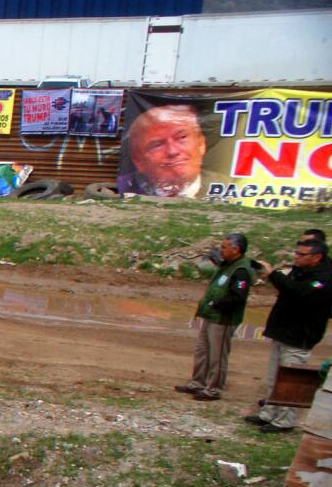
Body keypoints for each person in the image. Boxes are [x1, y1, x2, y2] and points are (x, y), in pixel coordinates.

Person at [248, 239, 332, 432]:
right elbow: (289, 290)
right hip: (283, 330)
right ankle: (268, 413)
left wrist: (274, 275)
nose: (296, 257)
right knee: (274, 377)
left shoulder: (324, 278)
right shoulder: (300, 271)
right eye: (296, 253)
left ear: (317, 257)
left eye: (302, 255)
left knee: (292, 381)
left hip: (300, 335)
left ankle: (285, 421)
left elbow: (299, 292)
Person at [177, 233, 260, 401]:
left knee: (217, 355)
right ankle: (197, 382)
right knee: (202, 350)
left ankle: (213, 389)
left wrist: (217, 303)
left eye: (224, 247)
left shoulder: (241, 271)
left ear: (235, 249)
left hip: (223, 319)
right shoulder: (229, 265)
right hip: (211, 316)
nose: (221, 250)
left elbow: (238, 297)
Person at [118, 104, 207, 198]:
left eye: (181, 137)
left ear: (201, 144)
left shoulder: (223, 184)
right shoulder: (125, 186)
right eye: (157, 145)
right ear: (138, 162)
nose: (172, 151)